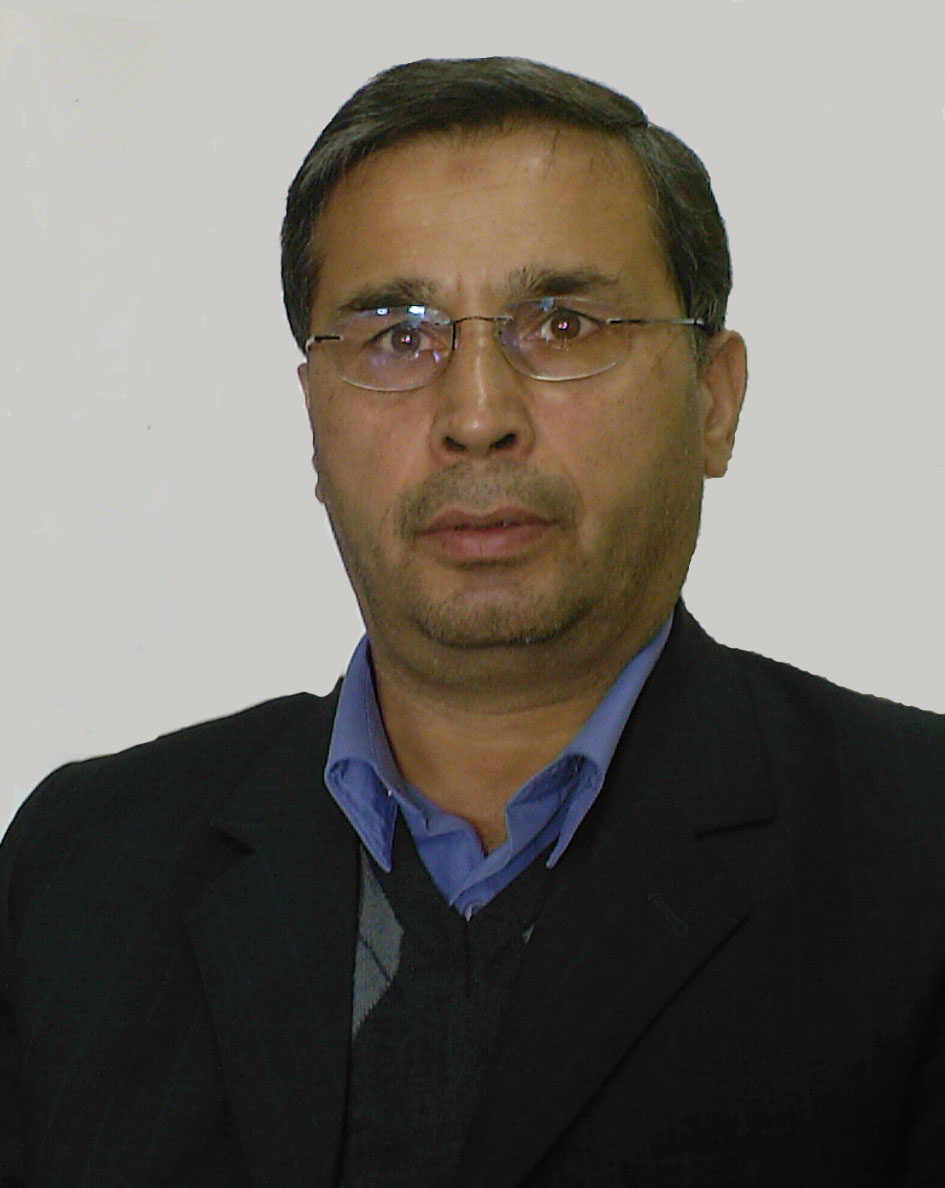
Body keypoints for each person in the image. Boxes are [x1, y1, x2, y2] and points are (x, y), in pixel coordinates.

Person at [1, 55, 943, 1188]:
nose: (477, 414)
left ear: (714, 399)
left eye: (564, 324)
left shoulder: (915, 848)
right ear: (314, 420)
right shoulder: (83, 869)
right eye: (400, 336)